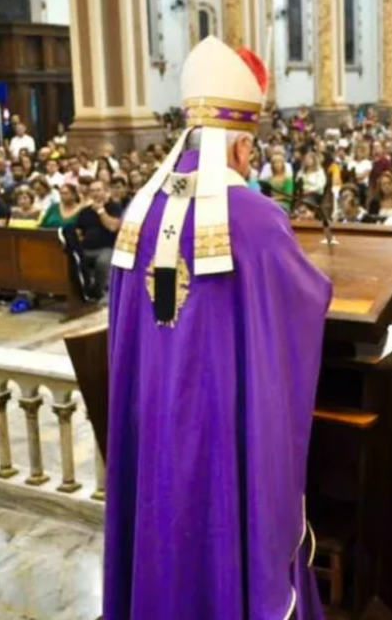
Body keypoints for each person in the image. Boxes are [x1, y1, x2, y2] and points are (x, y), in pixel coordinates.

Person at [105, 37, 331, 620]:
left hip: (153, 419)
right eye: (250, 150)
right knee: (226, 520)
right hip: (222, 428)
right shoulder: (255, 219)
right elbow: (306, 300)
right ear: (240, 145)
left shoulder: (139, 211)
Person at [75, 180, 122, 297]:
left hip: (107, 248)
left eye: (98, 190)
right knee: (72, 258)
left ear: (106, 191)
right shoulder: (85, 211)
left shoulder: (114, 207)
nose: (95, 193)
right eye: (92, 191)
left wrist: (100, 211)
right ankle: (80, 293)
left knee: (102, 262)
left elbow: (112, 227)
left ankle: (99, 293)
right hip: (86, 248)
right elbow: (79, 231)